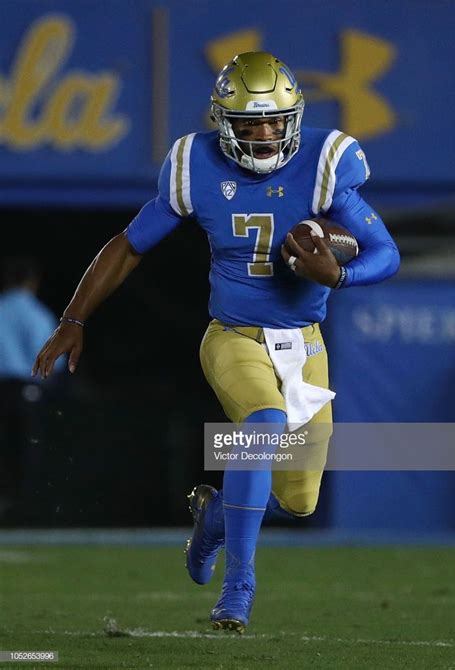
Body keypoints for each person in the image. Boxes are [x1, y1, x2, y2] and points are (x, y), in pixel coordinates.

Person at [32, 52, 400, 632]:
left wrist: (340, 275)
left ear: (294, 119)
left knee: (300, 500)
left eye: (274, 121)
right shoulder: (193, 165)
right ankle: (240, 586)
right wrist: (74, 319)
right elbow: (129, 246)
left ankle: (213, 521)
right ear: (222, 122)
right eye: (249, 123)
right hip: (233, 337)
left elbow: (387, 252)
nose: (263, 134)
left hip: (305, 345)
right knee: (263, 425)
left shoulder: (327, 163)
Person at [0, 256, 63, 520]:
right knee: (24, 455)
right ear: (32, 282)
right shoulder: (36, 313)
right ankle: (21, 514)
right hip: (23, 392)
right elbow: (49, 362)